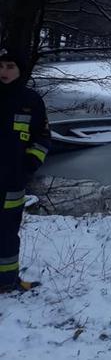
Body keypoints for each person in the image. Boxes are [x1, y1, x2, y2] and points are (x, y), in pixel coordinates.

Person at [0, 47, 51, 293]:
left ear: (20, 70)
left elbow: (42, 136)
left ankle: (7, 281)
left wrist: (31, 163)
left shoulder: (31, 101)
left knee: (8, 233)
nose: (4, 71)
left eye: (10, 66)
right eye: (0, 66)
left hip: (12, 181)